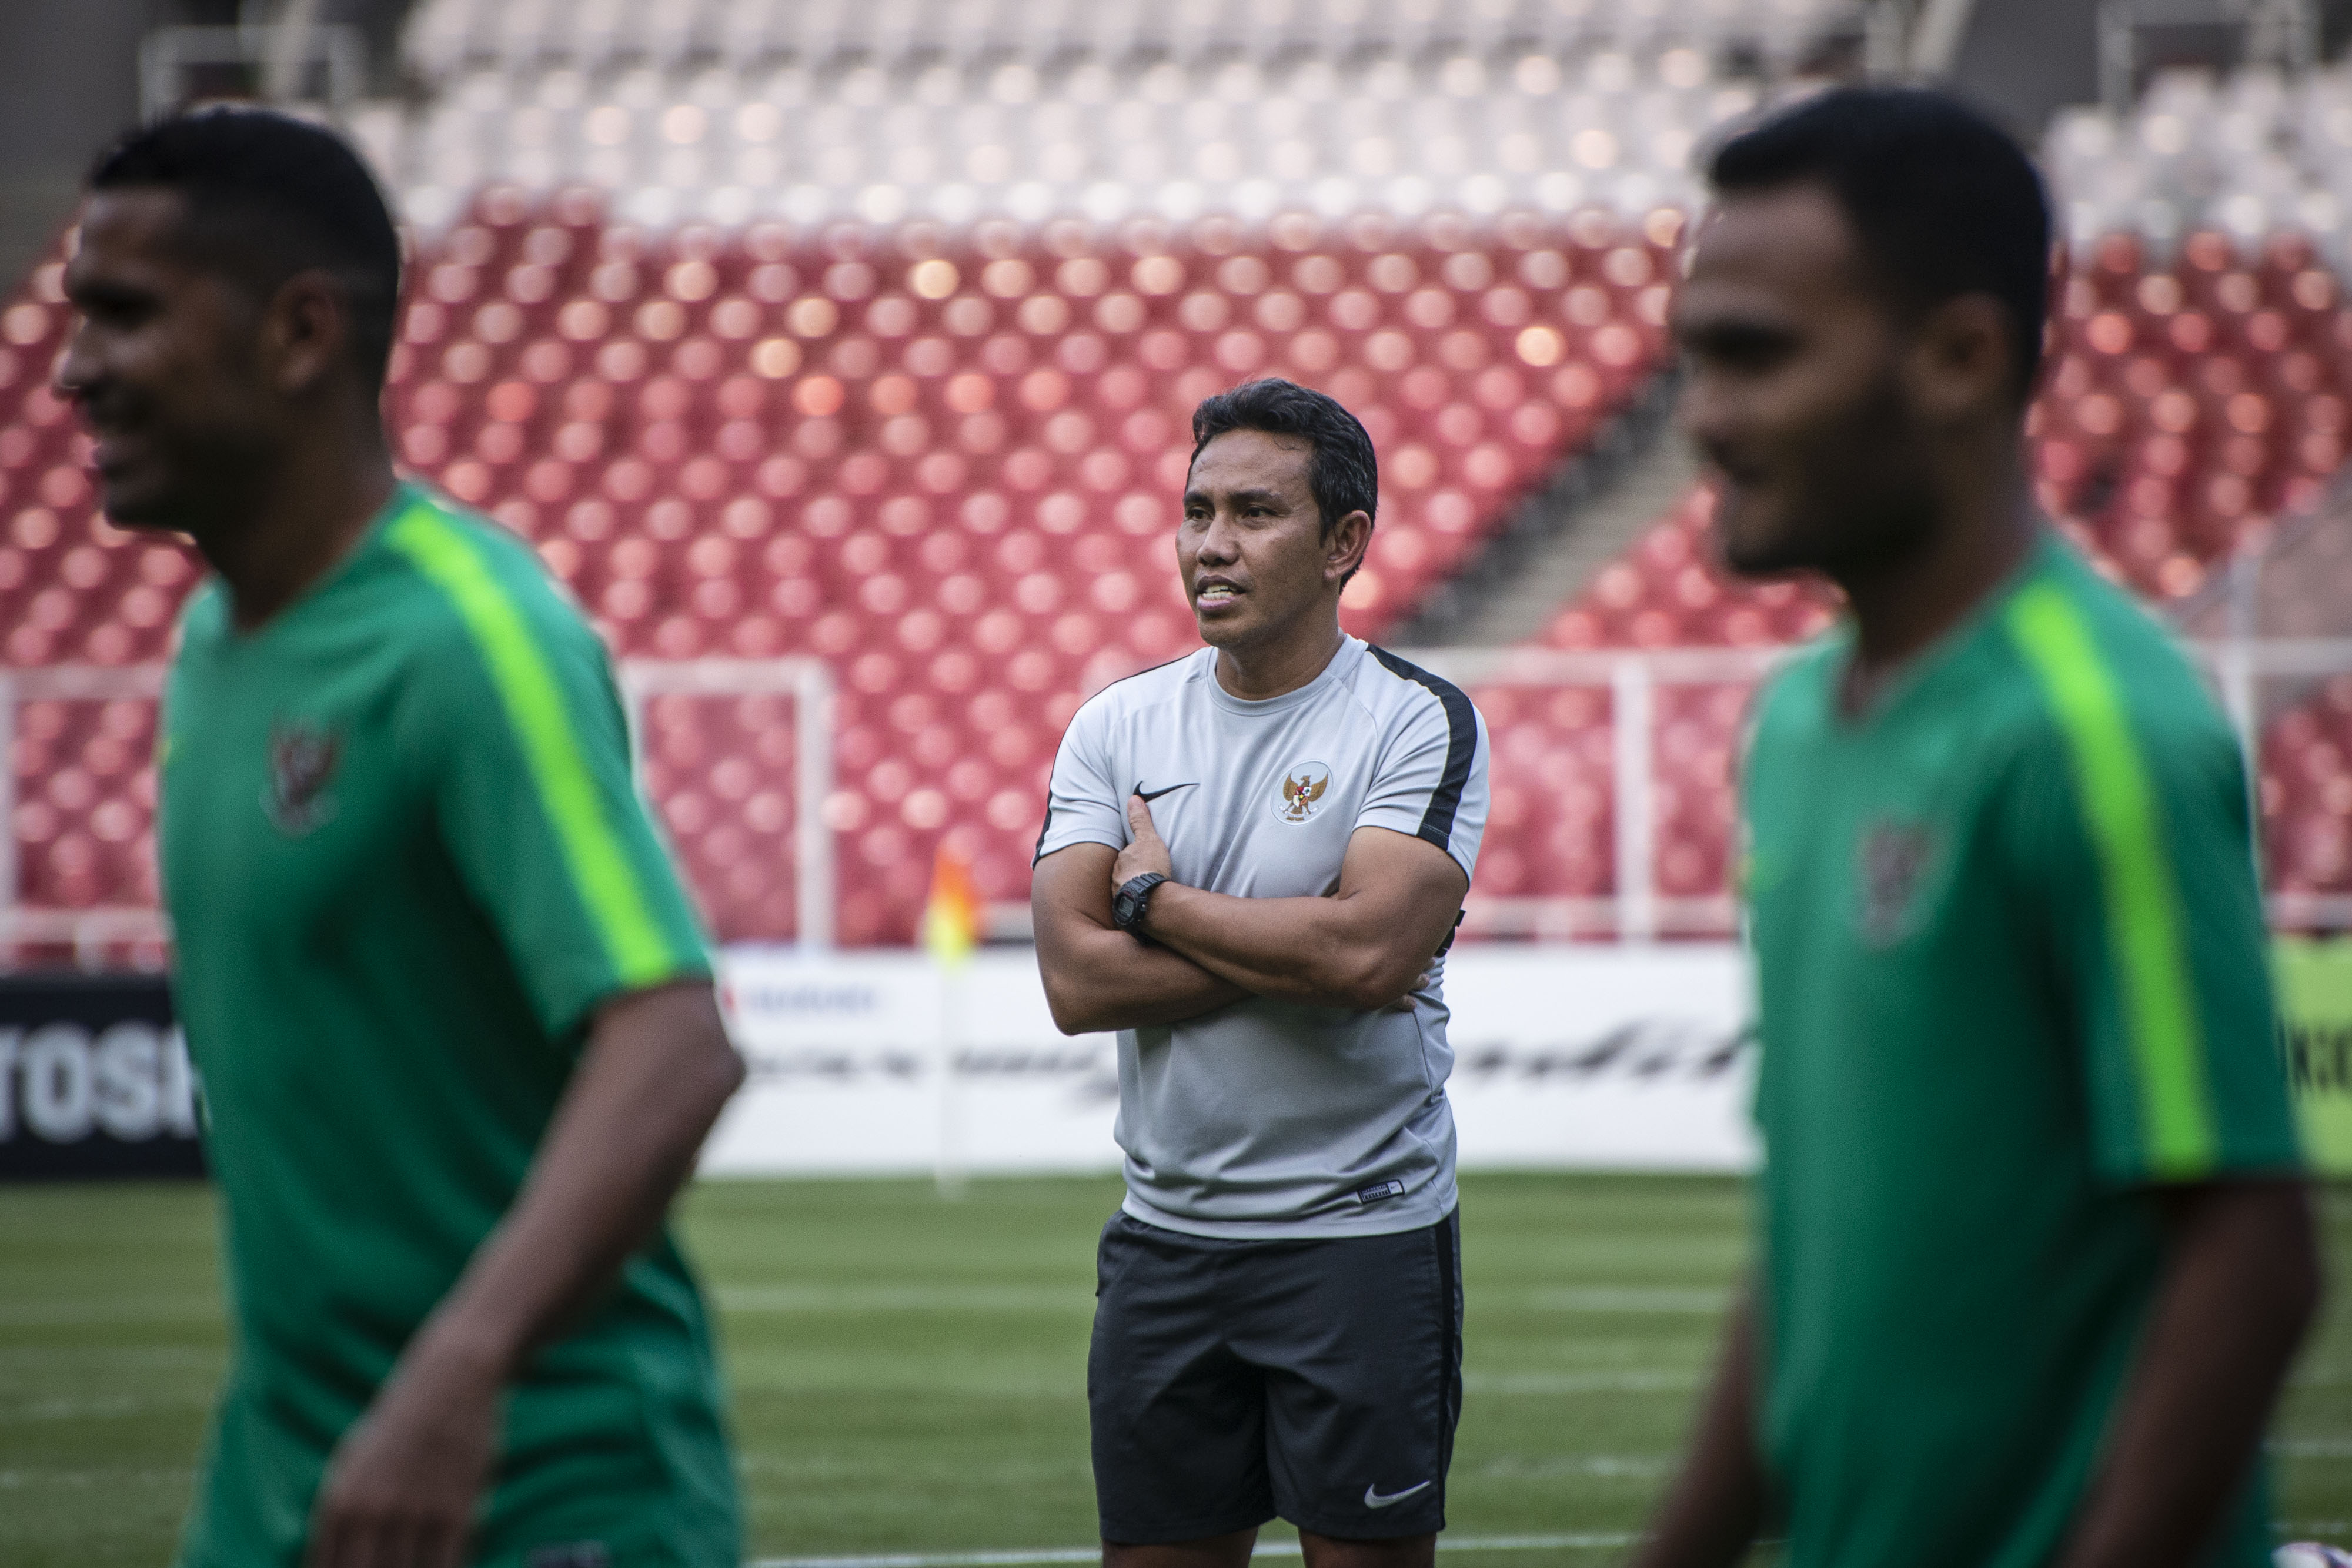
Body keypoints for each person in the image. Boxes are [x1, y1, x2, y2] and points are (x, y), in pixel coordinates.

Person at [1635, 87, 2318, 1568]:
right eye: (1693, 358)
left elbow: (2248, 1251)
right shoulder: (1796, 725)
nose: (1703, 416)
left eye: (1755, 354)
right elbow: (1811, 1245)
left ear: (1958, 358)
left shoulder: (2092, 729)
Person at [58, 108, 746, 1568]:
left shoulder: (468, 638)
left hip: (542, 1491)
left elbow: (674, 1041)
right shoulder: (211, 649)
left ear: (299, 333)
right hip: (284, 1482)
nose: (74, 368)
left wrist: (456, 1374)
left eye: (126, 314)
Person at [1031, 378, 1489, 1568]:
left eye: (1254, 512)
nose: (1211, 544)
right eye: (1197, 512)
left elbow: (1370, 955)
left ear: (1343, 544)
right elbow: (1076, 984)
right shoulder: (1114, 726)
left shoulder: (1414, 720)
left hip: (1361, 1239)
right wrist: (1311, 944)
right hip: (1164, 1244)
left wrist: (1156, 904)